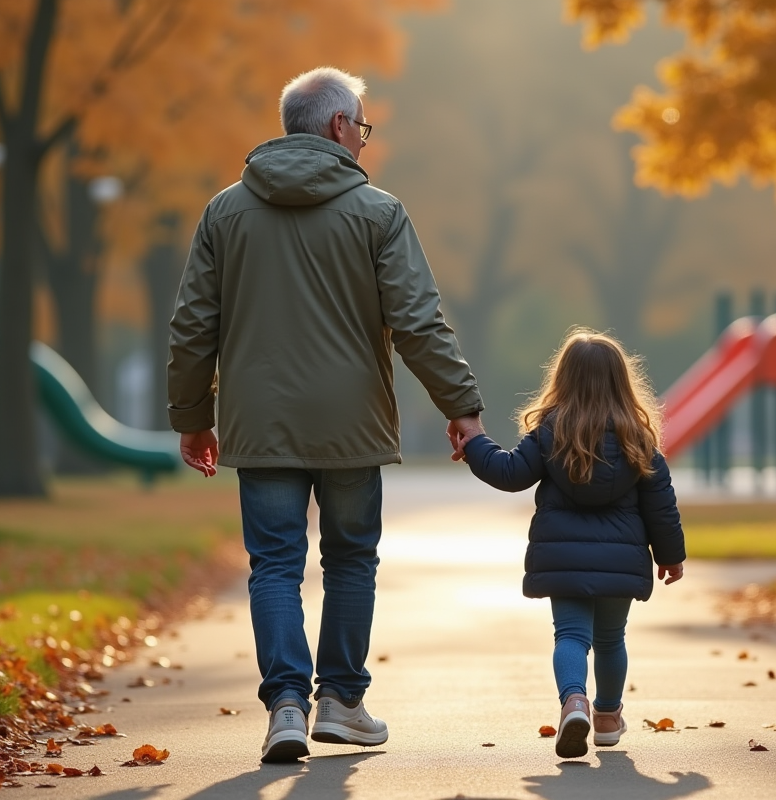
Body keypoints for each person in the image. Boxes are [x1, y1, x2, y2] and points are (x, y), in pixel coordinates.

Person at [167, 66, 484, 763]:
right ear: (340, 125)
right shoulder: (379, 212)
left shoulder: (225, 212)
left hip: (261, 420)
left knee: (274, 564)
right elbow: (417, 321)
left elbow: (193, 325)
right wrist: (460, 405)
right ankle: (340, 700)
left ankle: (286, 705)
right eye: (362, 126)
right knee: (349, 559)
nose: (364, 140)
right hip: (351, 421)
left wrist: (192, 413)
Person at [452, 328, 684, 759]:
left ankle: (574, 702)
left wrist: (474, 443)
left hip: (564, 558)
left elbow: (508, 473)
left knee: (571, 636)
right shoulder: (638, 440)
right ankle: (608, 718)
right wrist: (671, 557)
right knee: (611, 639)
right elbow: (662, 506)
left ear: (563, 380)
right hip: (620, 560)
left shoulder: (549, 433)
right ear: (622, 383)